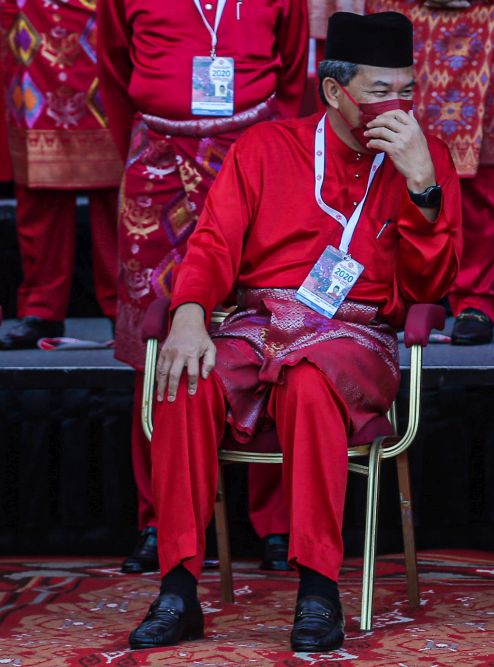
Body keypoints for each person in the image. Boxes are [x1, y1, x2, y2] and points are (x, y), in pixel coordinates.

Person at [125, 12, 461, 651]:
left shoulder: (429, 155)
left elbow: (430, 285)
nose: (399, 107)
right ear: (334, 92)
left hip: (355, 336)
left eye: (407, 91)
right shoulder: (266, 147)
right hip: (257, 324)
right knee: (184, 379)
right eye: (380, 91)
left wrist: (422, 187)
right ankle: (176, 588)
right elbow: (213, 242)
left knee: (310, 380)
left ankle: (317, 589)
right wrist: (190, 313)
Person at [97, 0, 307, 574]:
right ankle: (158, 519)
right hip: (157, 159)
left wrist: (276, 157)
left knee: (271, 327)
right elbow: (114, 69)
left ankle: (276, 521)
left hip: (253, 153)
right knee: (154, 342)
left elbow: (292, 76)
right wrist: (142, 149)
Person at [364, 0, 494, 345]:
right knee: (393, 147)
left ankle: (475, 297)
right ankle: (393, 293)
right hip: (403, 11)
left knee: (484, 168)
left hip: (483, 15)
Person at [0, 0, 120, 350]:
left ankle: (124, 308)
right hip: (31, 37)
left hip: (101, 31)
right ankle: (42, 309)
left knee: (120, 200)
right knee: (39, 190)